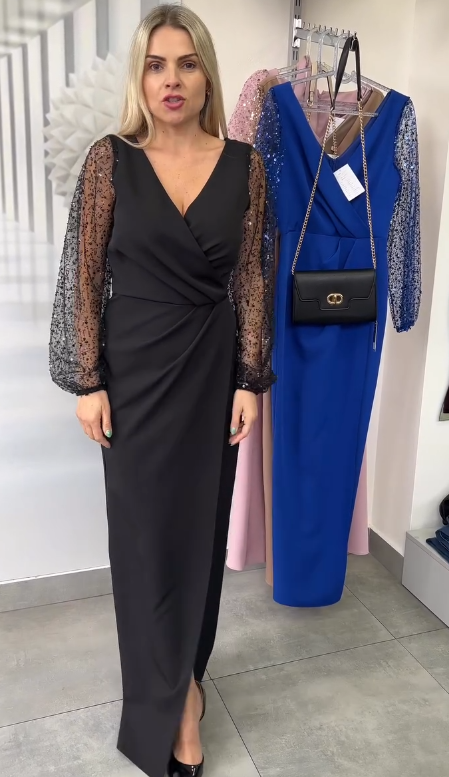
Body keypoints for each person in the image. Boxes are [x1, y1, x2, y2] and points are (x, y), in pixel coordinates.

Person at [49, 5, 275, 777]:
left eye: (185, 63)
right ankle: (173, 703)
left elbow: (252, 278)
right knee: (144, 543)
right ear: (139, 78)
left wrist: (249, 377)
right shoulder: (109, 160)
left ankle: (186, 682)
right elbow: (83, 273)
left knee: (198, 535)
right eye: (154, 64)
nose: (170, 80)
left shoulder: (245, 165)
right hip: (134, 374)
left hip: (211, 371)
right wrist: (87, 380)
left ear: (206, 73)